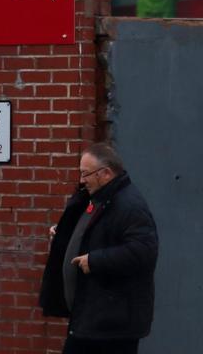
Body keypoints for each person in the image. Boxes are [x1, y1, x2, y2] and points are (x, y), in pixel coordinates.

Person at [39, 143, 159, 354]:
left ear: (105, 174)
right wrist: (65, 235)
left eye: (86, 174)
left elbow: (144, 250)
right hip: (91, 317)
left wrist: (95, 261)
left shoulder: (129, 206)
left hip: (112, 326)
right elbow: (92, 232)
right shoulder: (100, 199)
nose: (81, 180)